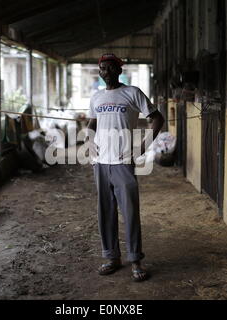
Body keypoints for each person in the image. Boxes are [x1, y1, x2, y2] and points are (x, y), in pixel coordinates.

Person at [86, 53, 165, 282]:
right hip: (101, 163)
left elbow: (157, 118)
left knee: (130, 212)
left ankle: (135, 260)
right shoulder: (96, 97)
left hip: (122, 161)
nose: (105, 72)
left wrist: (143, 146)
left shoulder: (132, 93)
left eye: (110, 67)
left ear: (119, 70)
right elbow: (92, 123)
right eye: (102, 68)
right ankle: (111, 257)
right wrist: (89, 140)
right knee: (105, 211)